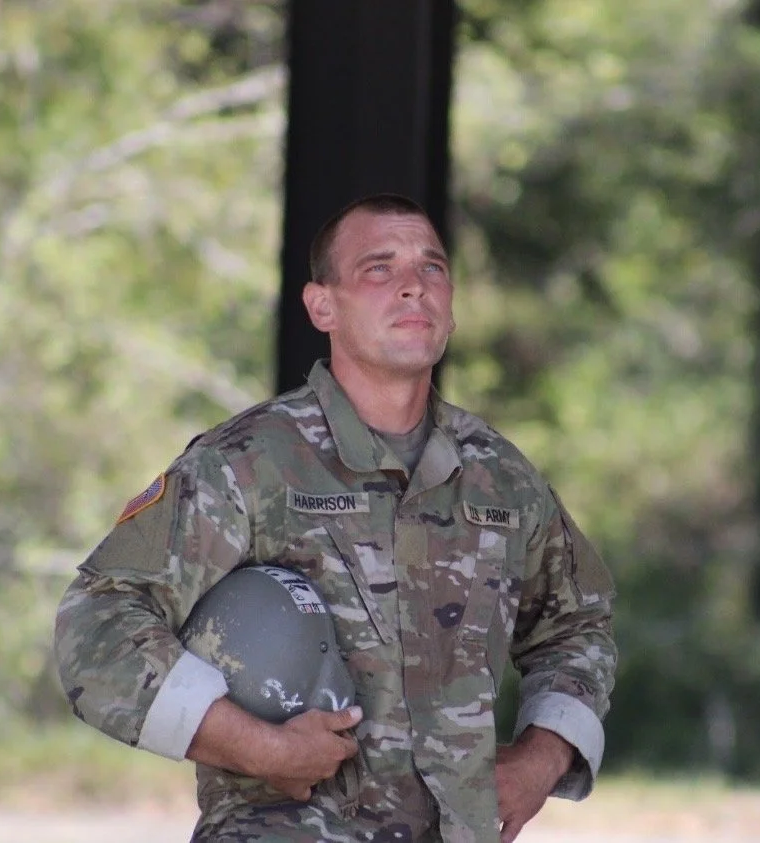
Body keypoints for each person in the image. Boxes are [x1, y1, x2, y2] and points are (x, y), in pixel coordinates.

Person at [54, 193, 618, 843]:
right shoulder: (248, 463)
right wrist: (255, 746)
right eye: (379, 268)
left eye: (432, 268)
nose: (413, 286)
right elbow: (97, 622)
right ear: (323, 305)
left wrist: (541, 759)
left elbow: (579, 621)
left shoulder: (500, 475)